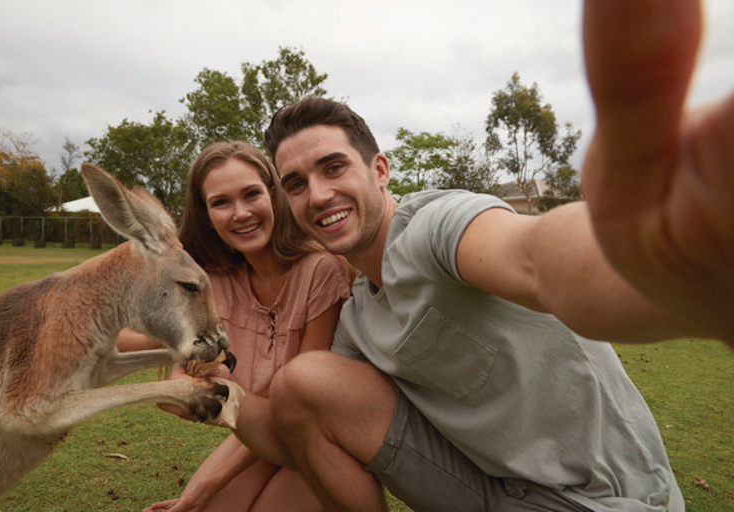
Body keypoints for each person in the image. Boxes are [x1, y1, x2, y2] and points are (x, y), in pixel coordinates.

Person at [237, 3, 733, 511]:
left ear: (380, 170)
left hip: (603, 499)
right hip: (487, 497)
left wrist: (647, 261)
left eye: (333, 167)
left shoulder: (434, 226)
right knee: (303, 385)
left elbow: (534, 258)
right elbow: (296, 430)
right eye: (296, 184)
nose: (317, 195)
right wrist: (214, 398)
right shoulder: (359, 317)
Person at [136, 141, 352, 511]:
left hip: (319, 442)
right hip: (261, 441)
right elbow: (176, 357)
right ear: (205, 213)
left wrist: (205, 487)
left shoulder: (320, 271)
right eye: (221, 202)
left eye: (251, 194)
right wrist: (182, 381)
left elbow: (293, 412)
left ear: (274, 195)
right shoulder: (217, 281)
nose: (240, 213)